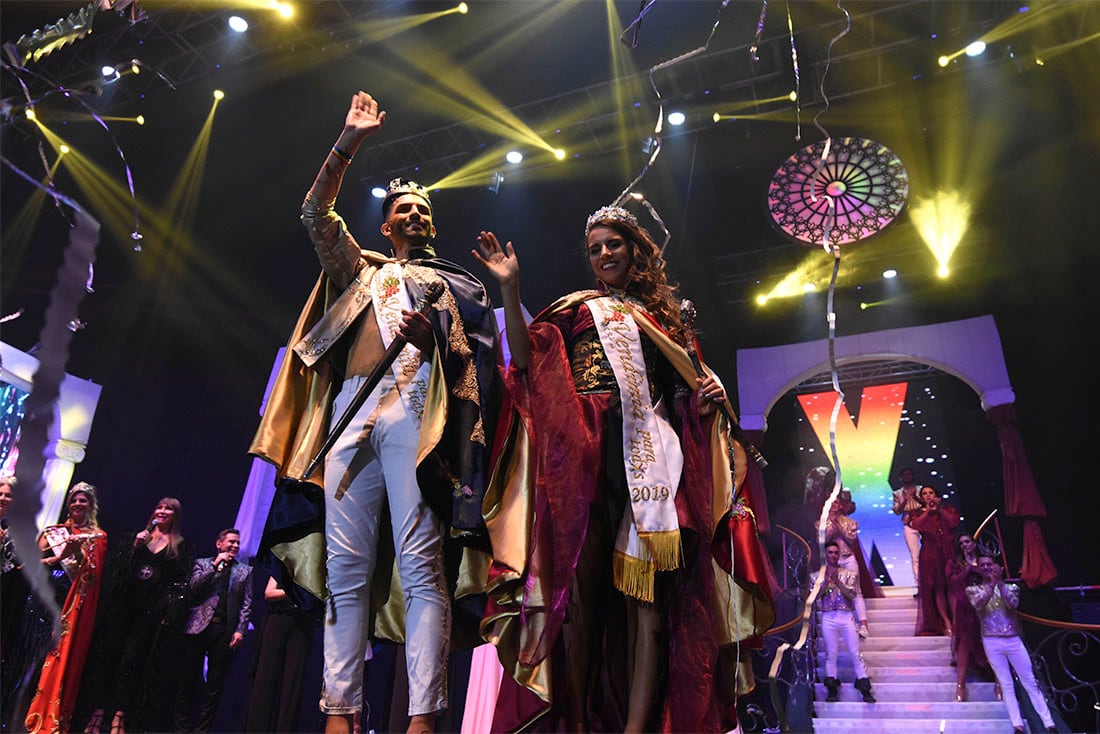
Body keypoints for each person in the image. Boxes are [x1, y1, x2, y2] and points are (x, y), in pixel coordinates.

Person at [248, 90, 501, 734]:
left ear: (431, 226)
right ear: (385, 223)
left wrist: (436, 341)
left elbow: (477, 370)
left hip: (418, 416)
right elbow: (313, 211)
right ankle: (339, 712)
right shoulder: (357, 268)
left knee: (421, 565)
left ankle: (421, 715)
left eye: (423, 209)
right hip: (350, 410)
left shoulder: (454, 286)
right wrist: (349, 142)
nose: (414, 213)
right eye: (402, 208)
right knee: (345, 569)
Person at [473, 209, 775, 732]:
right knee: (579, 600)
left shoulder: (668, 319)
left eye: (614, 244)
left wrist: (710, 398)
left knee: (651, 608)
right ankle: (578, 724)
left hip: (650, 460)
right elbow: (525, 360)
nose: (605, 254)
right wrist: (510, 287)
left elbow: (688, 394)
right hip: (585, 458)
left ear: (635, 249)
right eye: (595, 249)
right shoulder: (576, 309)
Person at [81, 497, 194, 734]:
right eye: (160, 507)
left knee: (131, 662)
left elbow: (180, 584)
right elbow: (115, 571)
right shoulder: (136, 538)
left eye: (169, 509)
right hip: (122, 608)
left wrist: (168, 611)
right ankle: (98, 710)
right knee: (109, 658)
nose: (163, 511)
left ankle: (120, 714)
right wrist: (133, 546)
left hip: (149, 614)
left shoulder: (180, 547)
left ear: (176, 516)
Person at [23, 482, 107, 734]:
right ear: (68, 504)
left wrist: (77, 554)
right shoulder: (53, 532)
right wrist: (58, 556)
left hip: (69, 602)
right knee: (30, 650)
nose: (78, 504)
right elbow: (33, 564)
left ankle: (41, 714)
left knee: (52, 655)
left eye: (84, 500)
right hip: (44, 595)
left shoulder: (98, 537)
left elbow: (90, 577)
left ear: (91, 505)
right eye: (74, 500)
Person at [174, 528, 253, 732]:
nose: (235, 546)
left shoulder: (245, 571)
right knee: (187, 680)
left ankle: (202, 730)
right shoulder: (203, 563)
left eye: (238, 543)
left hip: (224, 630)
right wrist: (215, 565)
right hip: (197, 627)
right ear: (219, 544)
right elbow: (193, 588)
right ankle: (181, 728)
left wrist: (240, 630)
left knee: (214, 686)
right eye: (231, 542)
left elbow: (246, 603)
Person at [967, 556, 1057, 733]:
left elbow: (1012, 604)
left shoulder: (1011, 588)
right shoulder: (973, 590)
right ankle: (1017, 725)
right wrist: (991, 586)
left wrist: (999, 584)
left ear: (996, 567)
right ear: (978, 569)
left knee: (1030, 681)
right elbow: (978, 605)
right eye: (982, 565)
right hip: (991, 641)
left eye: (989, 564)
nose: (986, 567)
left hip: (1013, 640)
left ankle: (1049, 723)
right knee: (1006, 683)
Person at [243, 575, 318, 733]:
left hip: (303, 625)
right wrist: (294, 592)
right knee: (265, 678)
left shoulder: (318, 569)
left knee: (293, 683)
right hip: (279, 617)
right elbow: (269, 593)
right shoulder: (284, 562)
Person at [814, 541, 875, 704]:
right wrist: (825, 582)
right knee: (831, 654)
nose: (833, 555)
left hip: (846, 616)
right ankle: (832, 688)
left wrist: (838, 582)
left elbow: (852, 595)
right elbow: (814, 597)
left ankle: (864, 686)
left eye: (835, 552)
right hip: (829, 616)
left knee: (855, 653)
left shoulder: (849, 573)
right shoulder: (817, 575)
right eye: (830, 552)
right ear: (825, 554)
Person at [817, 488, 882, 639]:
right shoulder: (820, 523)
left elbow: (850, 539)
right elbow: (823, 540)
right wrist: (830, 524)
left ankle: (863, 625)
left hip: (847, 558)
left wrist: (837, 524)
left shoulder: (850, 522)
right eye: (830, 503)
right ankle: (835, 625)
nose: (833, 505)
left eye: (836, 503)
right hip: (830, 559)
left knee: (856, 590)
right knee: (828, 589)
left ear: (840, 505)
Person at [945, 532, 990, 701]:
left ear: (974, 543)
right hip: (965, 607)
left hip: (985, 606)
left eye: (967, 542)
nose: (965, 545)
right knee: (964, 643)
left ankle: (1000, 682)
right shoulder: (956, 563)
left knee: (989, 641)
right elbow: (953, 583)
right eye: (962, 543)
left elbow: (993, 578)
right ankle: (960, 685)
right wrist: (967, 569)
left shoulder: (984, 561)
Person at [909, 485, 959, 636]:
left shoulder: (947, 509)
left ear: (936, 495)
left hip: (948, 552)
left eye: (931, 492)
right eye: (925, 494)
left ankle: (957, 621)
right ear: (921, 497)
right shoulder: (918, 513)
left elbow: (954, 522)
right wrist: (929, 512)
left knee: (952, 587)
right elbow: (915, 525)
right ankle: (946, 622)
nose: (928, 496)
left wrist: (939, 509)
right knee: (938, 588)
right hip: (930, 554)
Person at [891, 466, 923, 586]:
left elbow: (926, 504)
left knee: (929, 552)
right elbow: (897, 511)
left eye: (909, 474)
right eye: (904, 475)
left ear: (913, 475)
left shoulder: (921, 489)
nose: (907, 477)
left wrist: (915, 497)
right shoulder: (897, 493)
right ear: (901, 477)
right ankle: (919, 586)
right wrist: (904, 500)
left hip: (923, 522)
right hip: (908, 523)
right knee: (915, 556)